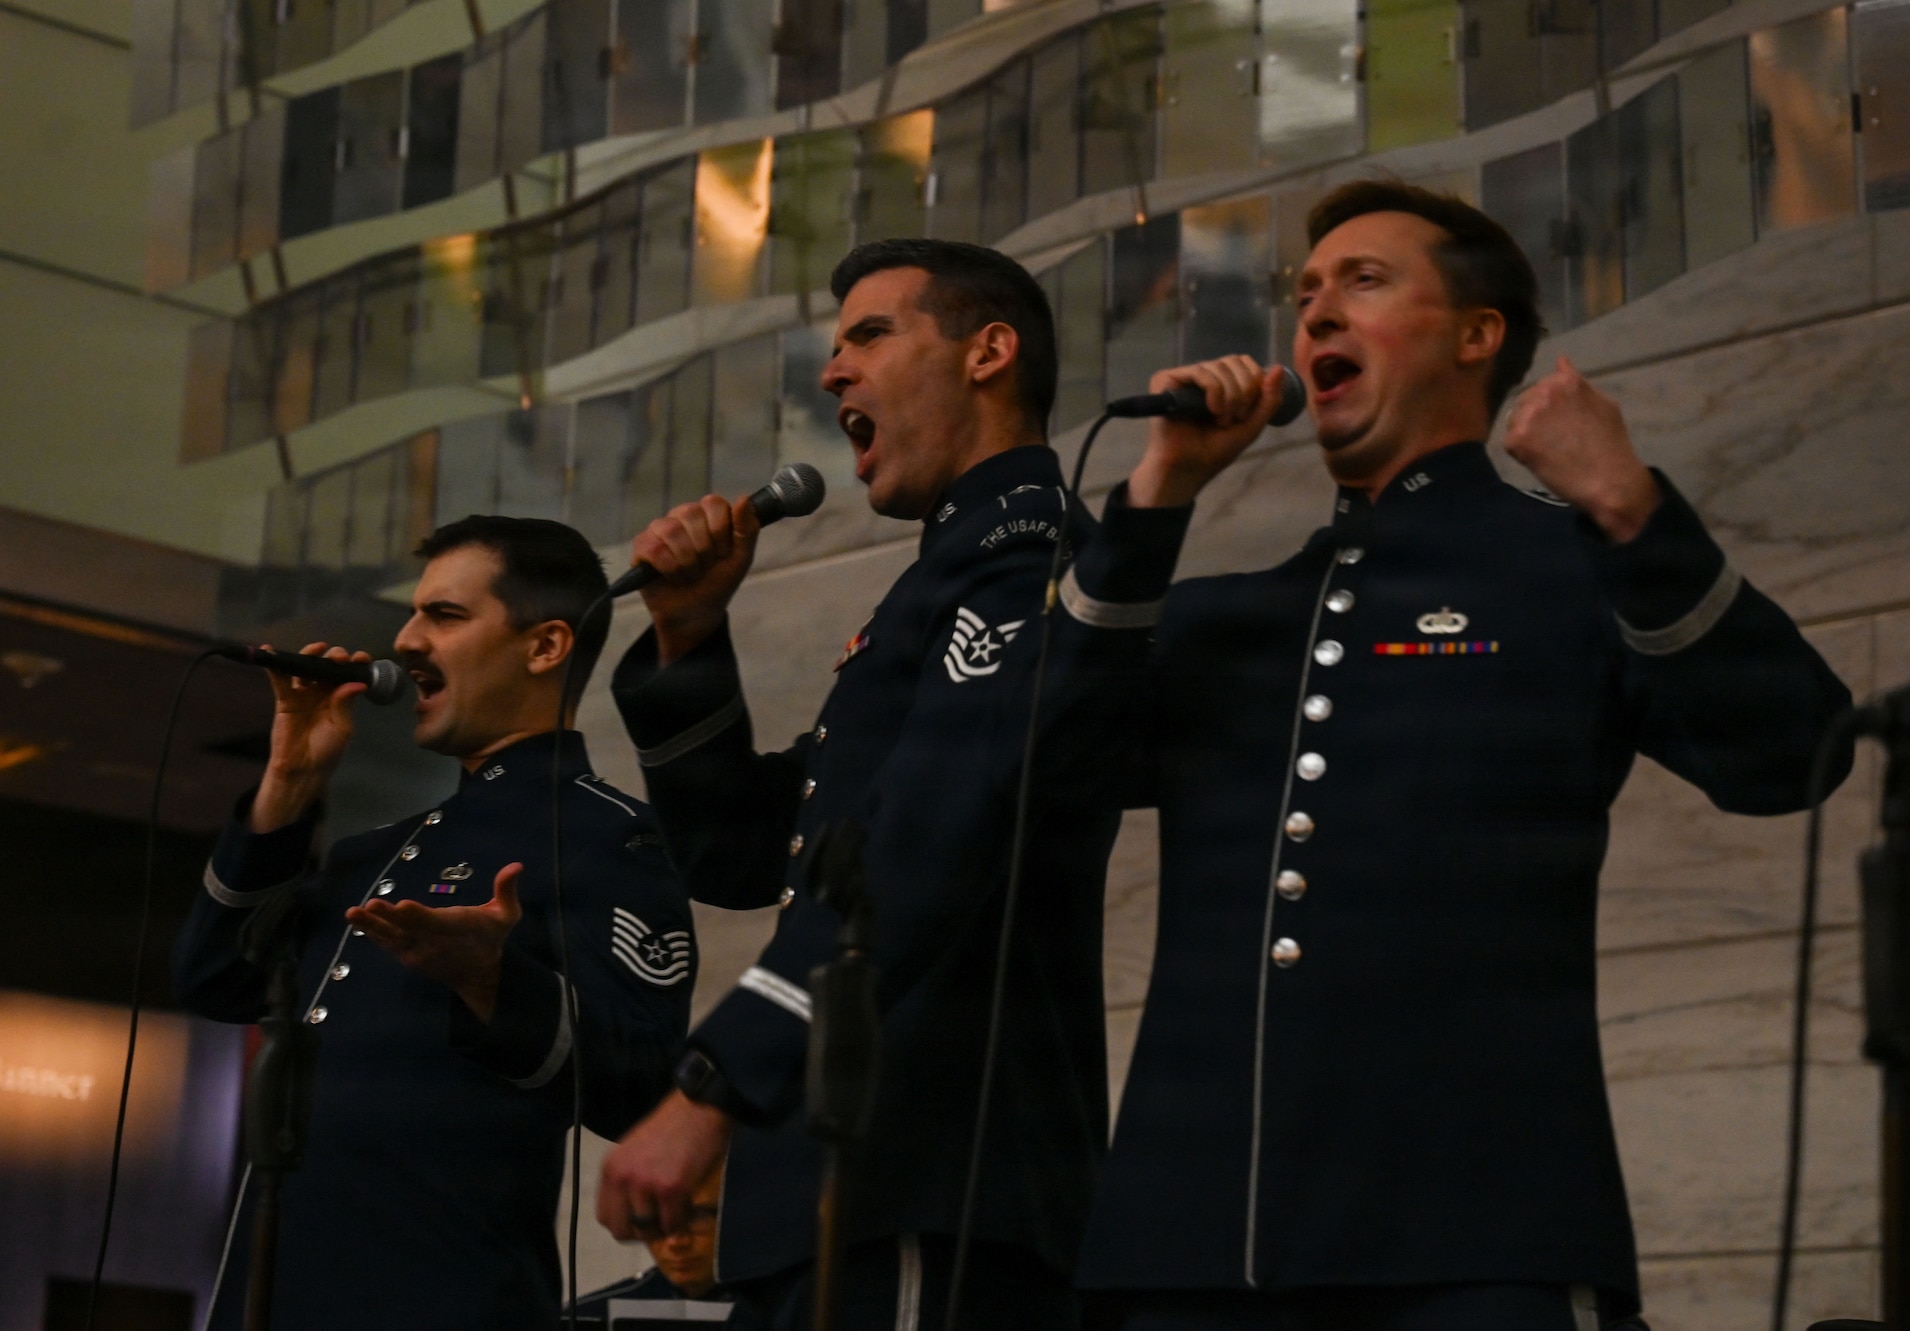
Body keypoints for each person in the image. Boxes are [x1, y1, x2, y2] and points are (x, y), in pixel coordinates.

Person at [1059, 181, 1855, 1329]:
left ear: (1476, 337)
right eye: (1305, 293)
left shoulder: (1570, 567)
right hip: (1184, 1255)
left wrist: (1628, 507)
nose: (1316, 313)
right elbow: (1043, 777)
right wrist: (1153, 497)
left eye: (1364, 283)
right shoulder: (1225, 616)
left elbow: (1791, 754)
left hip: (1475, 1241)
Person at [595, 240, 1190, 1330]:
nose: (831, 374)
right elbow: (743, 856)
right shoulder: (941, 580)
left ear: (987, 353)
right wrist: (687, 640)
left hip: (932, 1171)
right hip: (839, 1179)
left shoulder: (1030, 560)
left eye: (870, 335)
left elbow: (918, 849)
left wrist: (712, 1082)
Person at [174, 516, 694, 1331]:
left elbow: (646, 1085)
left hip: (441, 1302)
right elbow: (209, 974)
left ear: (546, 645)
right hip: (271, 1299)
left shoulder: (606, 836)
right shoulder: (371, 851)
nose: (406, 640)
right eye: (413, 614)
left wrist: (495, 982)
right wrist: (286, 786)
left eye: (444, 616)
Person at [568, 1165, 736, 1327]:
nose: (675, 1242)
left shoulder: (759, 1313)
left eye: (697, 1216)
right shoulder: (584, 1317)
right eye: (656, 1218)